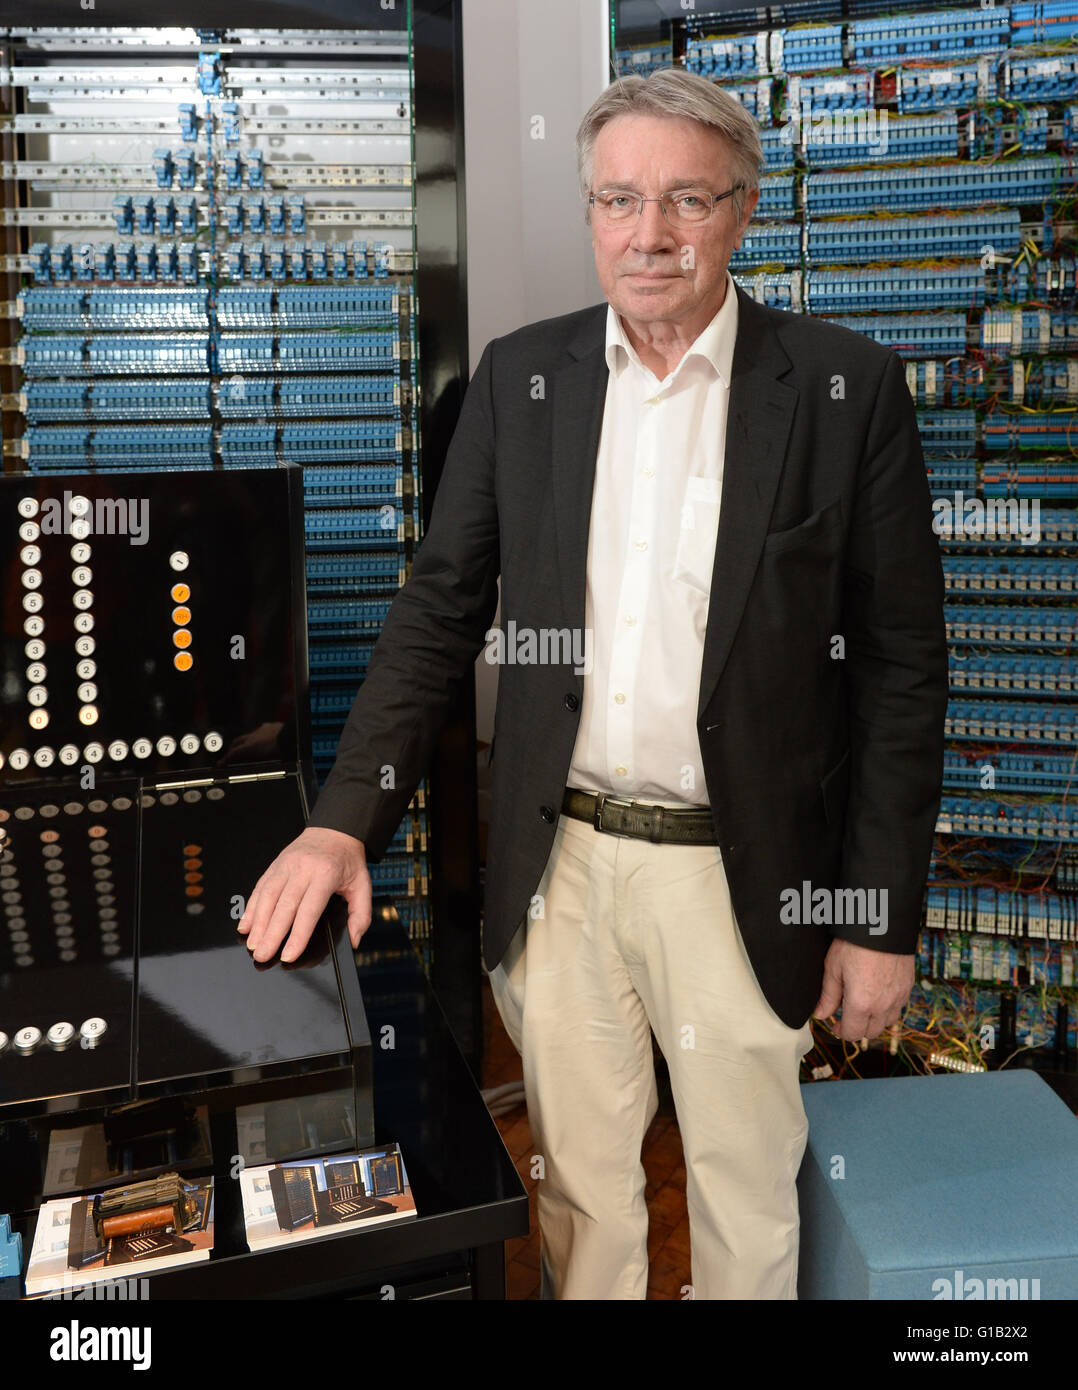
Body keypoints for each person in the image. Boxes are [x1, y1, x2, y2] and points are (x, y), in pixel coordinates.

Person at [238, 69, 948, 1300]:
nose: (648, 234)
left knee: (743, 1185)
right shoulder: (523, 382)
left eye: (684, 200)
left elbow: (898, 670)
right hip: (559, 869)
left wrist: (876, 916)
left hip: (746, 871)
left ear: (742, 211)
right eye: (618, 200)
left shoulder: (844, 390)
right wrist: (339, 818)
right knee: (577, 1192)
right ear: (588, 211)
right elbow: (435, 614)